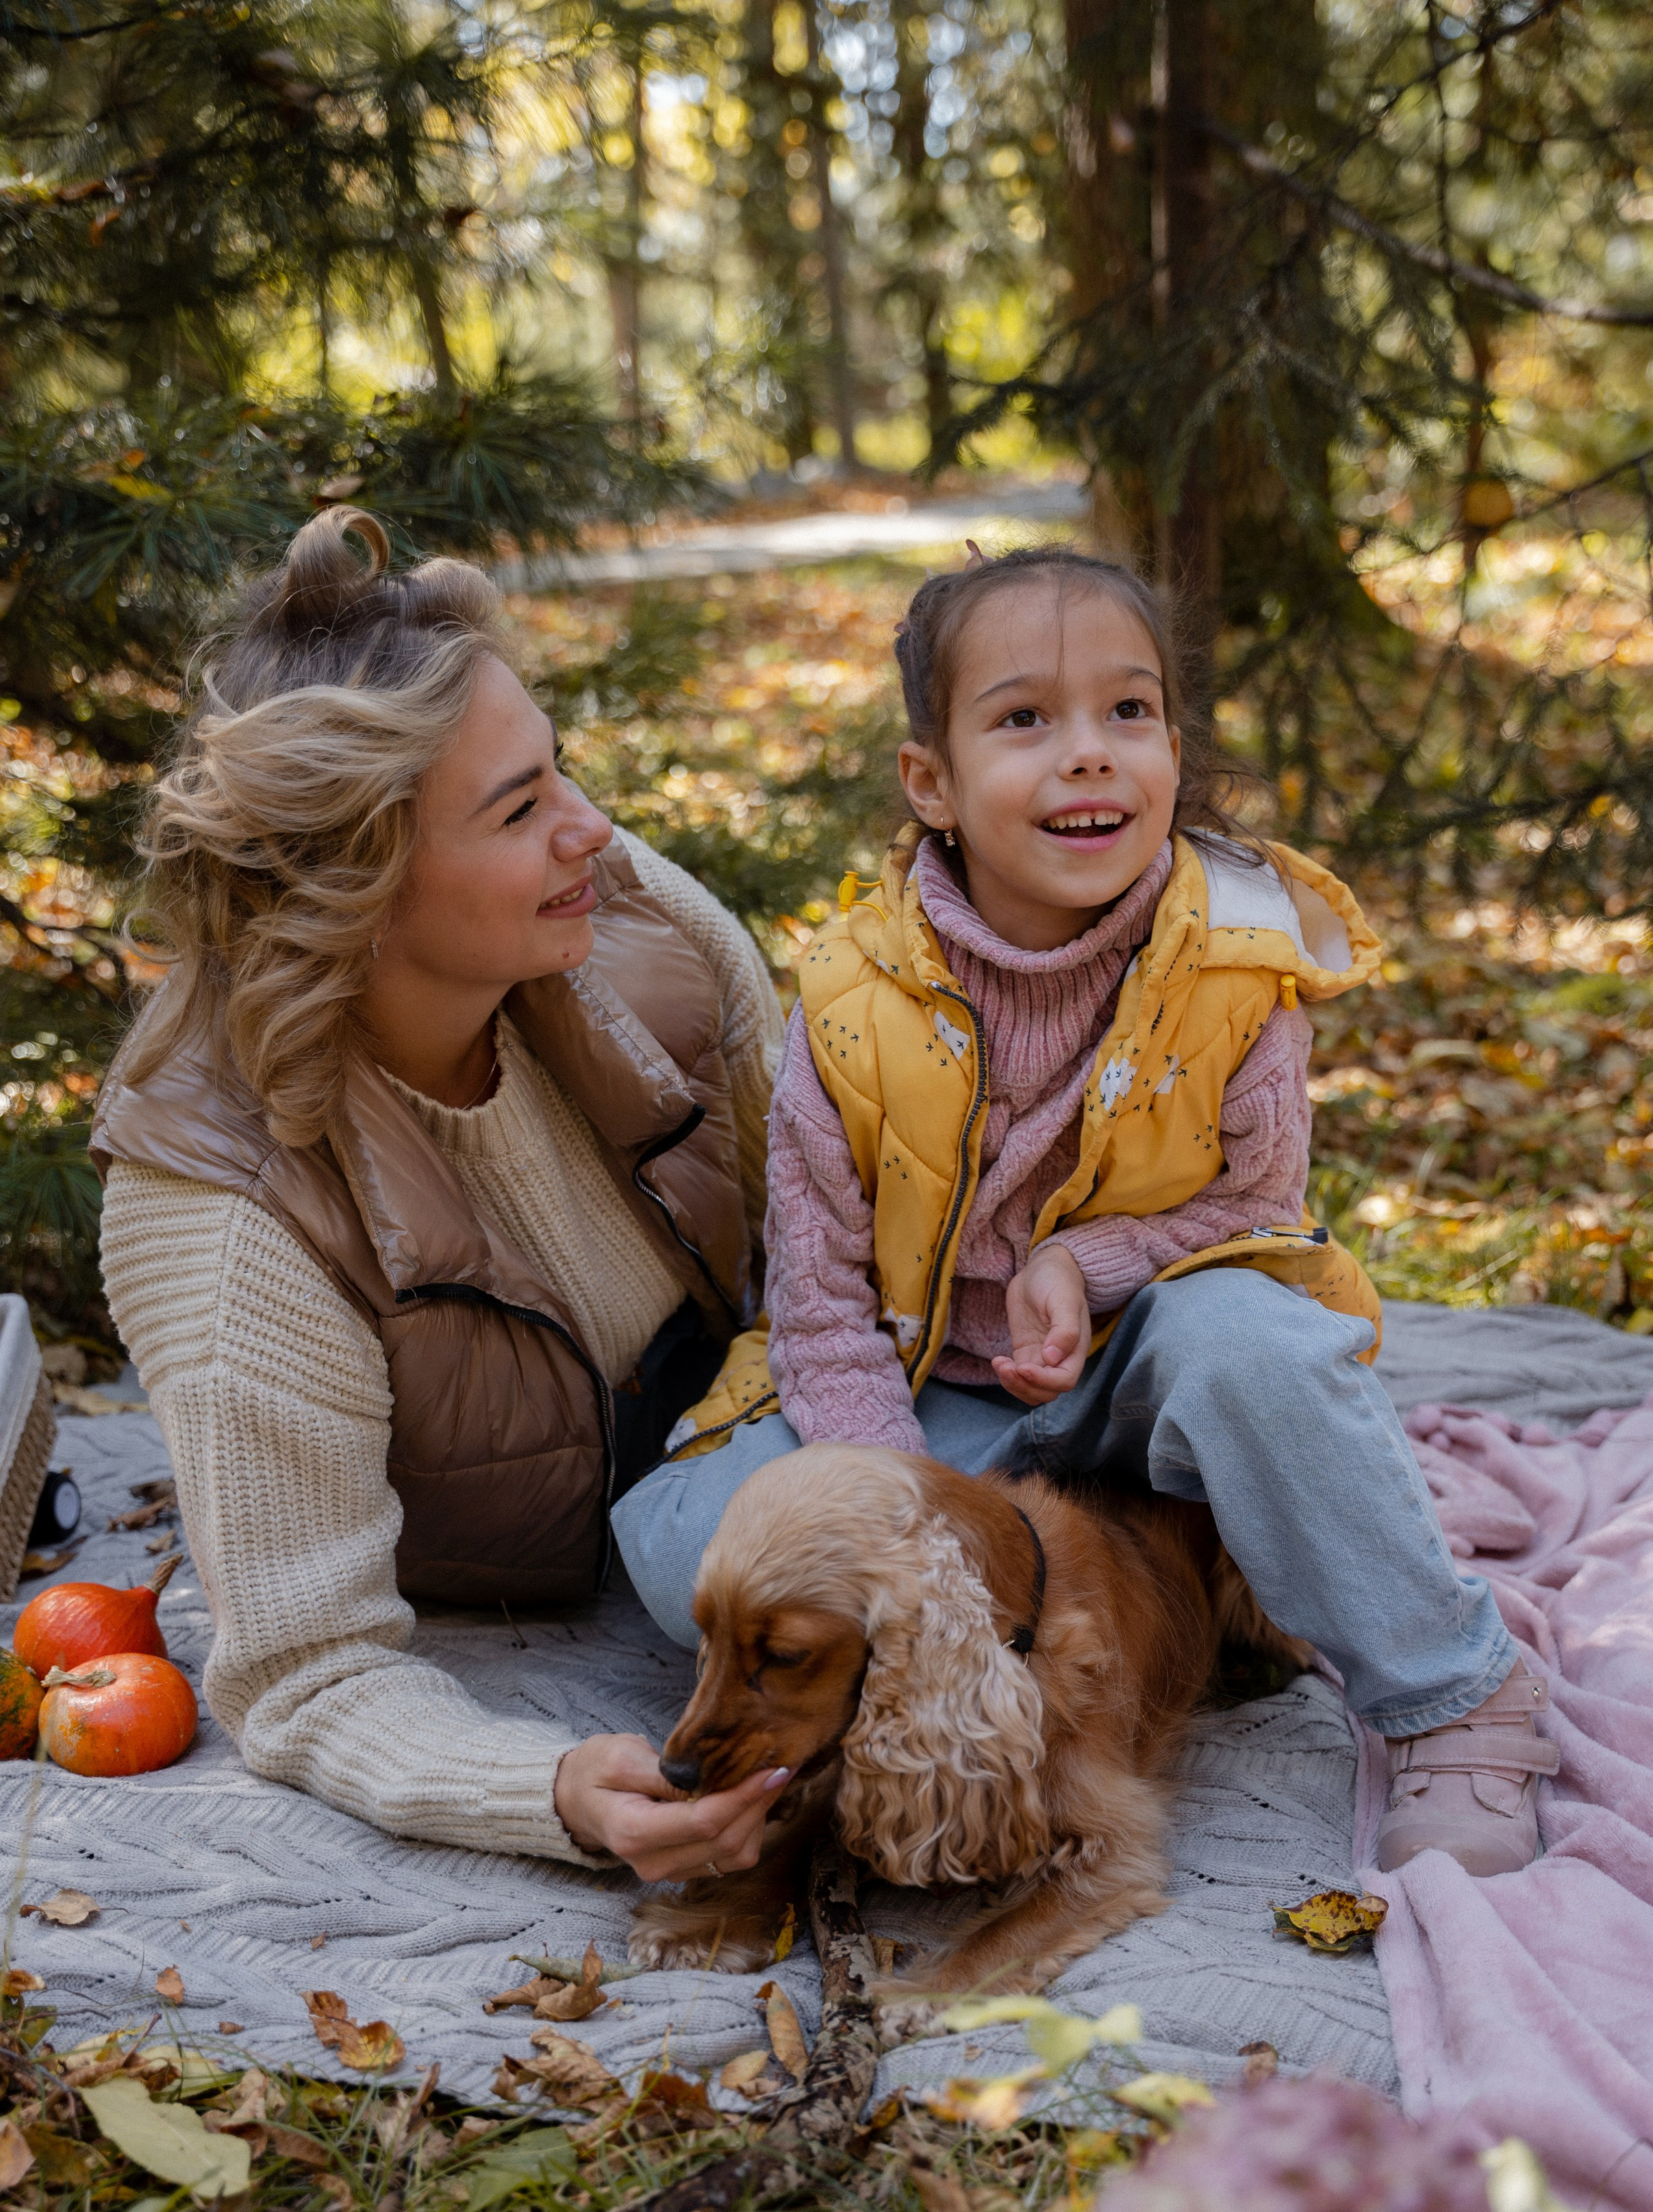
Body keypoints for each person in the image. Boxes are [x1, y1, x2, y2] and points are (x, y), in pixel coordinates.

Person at [614, 545, 1552, 1877]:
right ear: (929, 782)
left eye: (1128, 712)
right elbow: (819, 1308)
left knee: (1262, 1352)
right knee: (691, 1548)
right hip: (924, 1397)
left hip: (1140, 1379)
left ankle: (1450, 1690)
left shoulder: (1236, 965)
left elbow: (1254, 1214)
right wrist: (906, 1515)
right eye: (1023, 720)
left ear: (1172, 741)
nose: (1089, 754)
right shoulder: (849, 1004)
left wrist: (1084, 1258)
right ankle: (1002, 1642)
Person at [95, 507, 798, 1885]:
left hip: (765, 1439)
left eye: (560, 774)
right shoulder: (224, 1208)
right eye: (519, 809)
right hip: (576, 1576)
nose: (591, 830)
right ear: (356, 883)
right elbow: (306, 1673)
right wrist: (546, 1791)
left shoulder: (631, 922)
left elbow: (833, 1233)